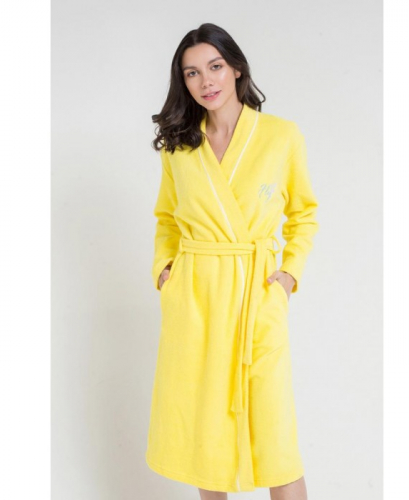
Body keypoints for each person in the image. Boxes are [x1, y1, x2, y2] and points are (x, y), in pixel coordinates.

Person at [145, 23, 319, 500]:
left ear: (237, 68)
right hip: (196, 299)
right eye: (192, 73)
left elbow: (304, 214)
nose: (206, 81)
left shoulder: (281, 136)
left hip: (256, 296)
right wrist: (166, 273)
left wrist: (287, 276)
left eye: (215, 66)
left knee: (276, 443)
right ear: (183, 81)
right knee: (208, 438)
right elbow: (166, 218)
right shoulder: (180, 146)